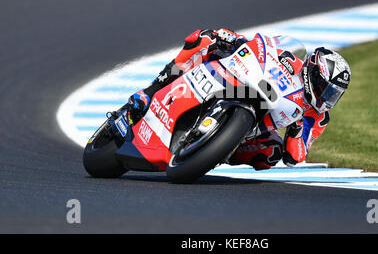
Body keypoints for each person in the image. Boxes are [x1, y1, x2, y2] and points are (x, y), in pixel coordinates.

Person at [127, 28, 351, 169]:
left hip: (255, 128)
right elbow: (262, 48)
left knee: (272, 152)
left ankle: (219, 151)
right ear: (312, 73)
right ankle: (151, 92)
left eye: (334, 94)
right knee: (204, 38)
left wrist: (296, 126)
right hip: (244, 80)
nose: (326, 97)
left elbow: (295, 156)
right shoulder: (291, 60)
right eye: (326, 89)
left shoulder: (318, 117)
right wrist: (235, 41)